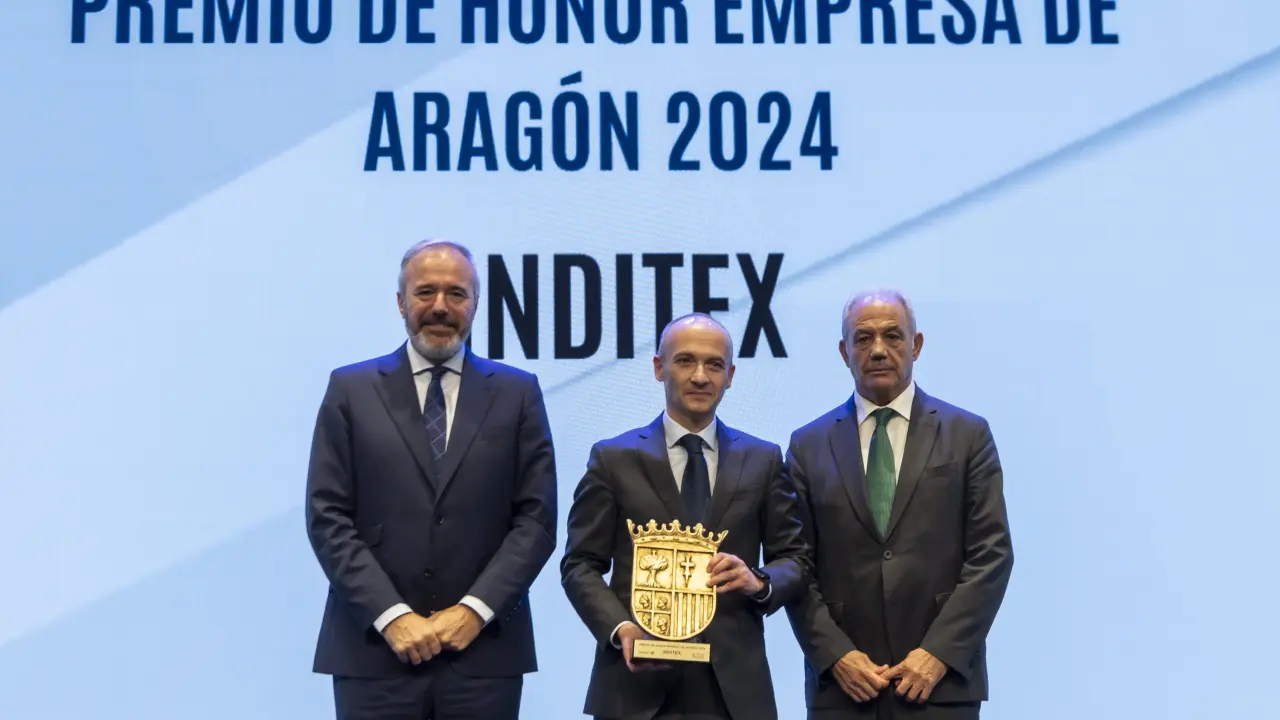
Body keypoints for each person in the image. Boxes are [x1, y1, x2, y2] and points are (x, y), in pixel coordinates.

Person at [304, 239, 558, 720]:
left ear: (476, 304)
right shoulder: (350, 389)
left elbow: (536, 520)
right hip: (374, 655)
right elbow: (327, 516)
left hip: (483, 657)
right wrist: (391, 616)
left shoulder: (518, 393)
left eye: (456, 294)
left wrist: (475, 610)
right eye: (425, 292)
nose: (440, 306)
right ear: (401, 301)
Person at [560, 312, 812, 720]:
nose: (700, 376)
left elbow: (795, 559)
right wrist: (621, 629)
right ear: (659, 368)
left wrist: (759, 581)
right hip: (635, 686)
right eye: (685, 361)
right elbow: (579, 564)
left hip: (733, 692)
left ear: (730, 376)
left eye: (714, 365)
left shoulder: (763, 459)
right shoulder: (613, 458)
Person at [784, 290, 1014, 720]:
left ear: (916, 345)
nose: (878, 350)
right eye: (862, 338)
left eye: (892, 336)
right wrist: (835, 655)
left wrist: (938, 653)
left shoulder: (968, 435)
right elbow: (795, 565)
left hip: (940, 687)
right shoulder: (807, 445)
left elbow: (992, 555)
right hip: (844, 690)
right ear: (844, 352)